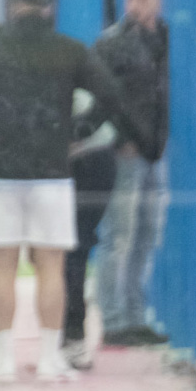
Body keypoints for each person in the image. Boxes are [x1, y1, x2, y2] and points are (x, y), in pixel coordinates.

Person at [0, 0, 148, 383]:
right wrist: (80, 130)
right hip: (52, 172)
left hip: (0, 171)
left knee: (2, 268)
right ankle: (49, 358)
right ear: (48, 9)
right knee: (51, 267)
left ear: (11, 7)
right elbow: (111, 96)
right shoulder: (69, 50)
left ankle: (3, 360)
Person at [93, 0, 171, 347]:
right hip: (127, 150)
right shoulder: (113, 43)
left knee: (147, 233)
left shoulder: (166, 40)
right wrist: (121, 138)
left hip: (155, 148)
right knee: (119, 234)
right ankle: (113, 319)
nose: (134, 6)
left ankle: (136, 315)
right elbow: (100, 95)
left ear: (158, 1)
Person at [60, 91, 119, 370]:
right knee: (66, 252)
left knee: (74, 249)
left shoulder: (79, 81)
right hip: (58, 163)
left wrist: (74, 134)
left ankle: (73, 337)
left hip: (89, 159)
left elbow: (112, 96)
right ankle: (69, 337)